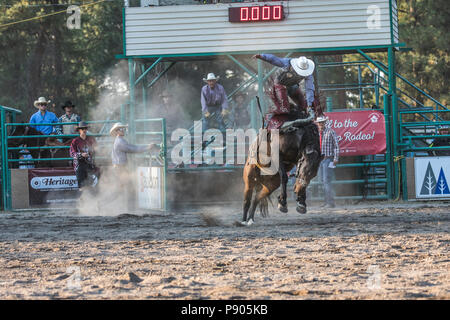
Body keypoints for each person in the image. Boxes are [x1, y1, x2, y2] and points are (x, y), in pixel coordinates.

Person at [110, 122, 160, 210]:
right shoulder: (120, 141)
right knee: (128, 189)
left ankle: (102, 204)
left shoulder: (120, 140)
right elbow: (133, 149)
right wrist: (147, 147)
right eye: (121, 129)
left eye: (123, 128)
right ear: (117, 131)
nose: (123, 130)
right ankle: (130, 209)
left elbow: (131, 147)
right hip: (120, 168)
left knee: (121, 190)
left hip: (120, 167)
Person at [316, 116, 339, 208]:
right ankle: (327, 201)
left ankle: (330, 202)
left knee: (326, 181)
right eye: (319, 122)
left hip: (328, 159)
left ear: (325, 123)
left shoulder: (330, 131)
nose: (320, 124)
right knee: (323, 181)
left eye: (322, 122)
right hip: (320, 160)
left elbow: (336, 146)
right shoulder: (317, 133)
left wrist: (336, 158)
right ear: (317, 124)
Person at [69, 121, 99, 190]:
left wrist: (94, 150)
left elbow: (96, 149)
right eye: (82, 129)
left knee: (92, 183)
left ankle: (92, 198)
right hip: (80, 165)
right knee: (82, 186)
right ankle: (83, 198)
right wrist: (81, 154)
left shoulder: (91, 139)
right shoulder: (75, 141)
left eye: (85, 128)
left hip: (89, 164)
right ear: (79, 130)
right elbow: (72, 153)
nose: (84, 130)